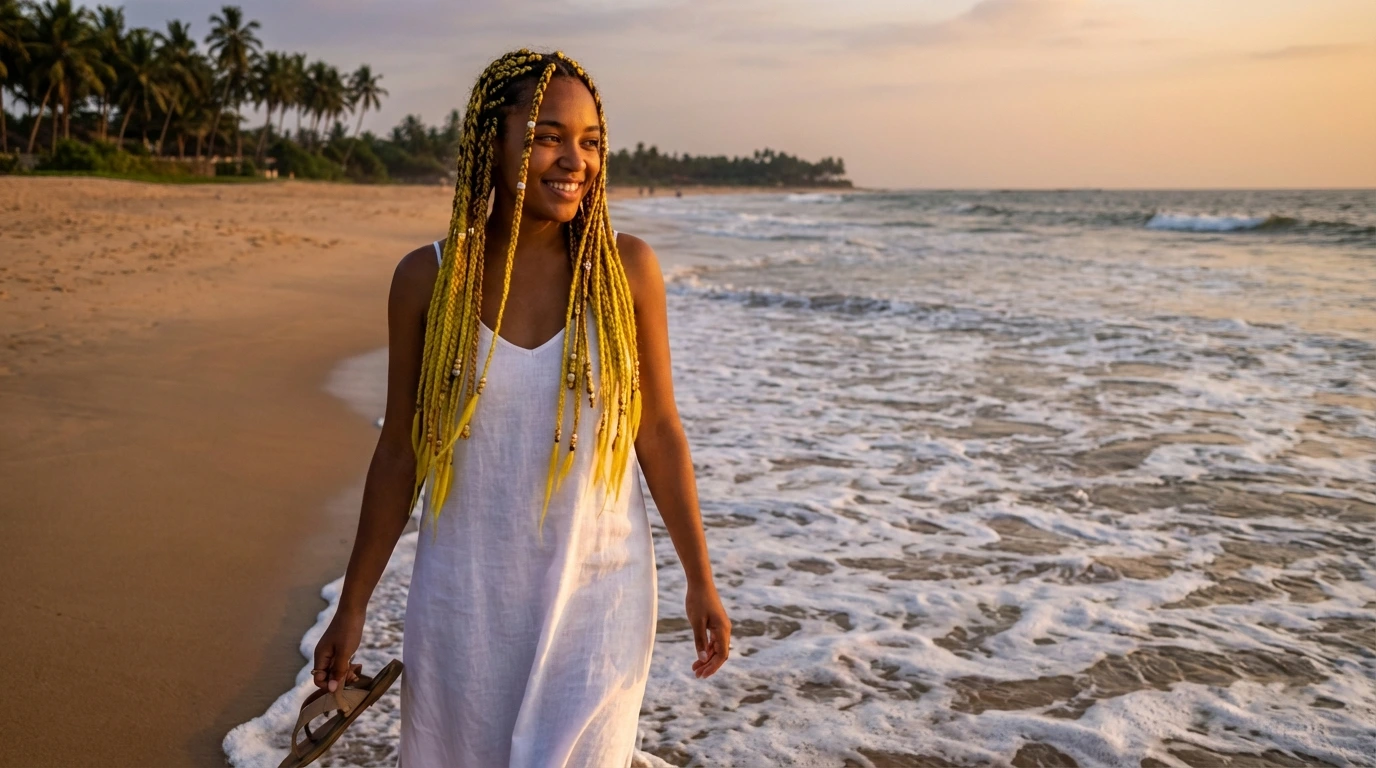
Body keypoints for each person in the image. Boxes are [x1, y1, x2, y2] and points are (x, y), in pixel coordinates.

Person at [309, 49, 731, 767]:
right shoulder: (427, 280)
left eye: (591, 140)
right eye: (547, 135)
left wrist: (700, 579)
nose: (575, 159)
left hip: (599, 600)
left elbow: (657, 432)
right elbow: (401, 452)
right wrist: (353, 606)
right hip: (466, 609)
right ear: (492, 143)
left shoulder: (627, 271)